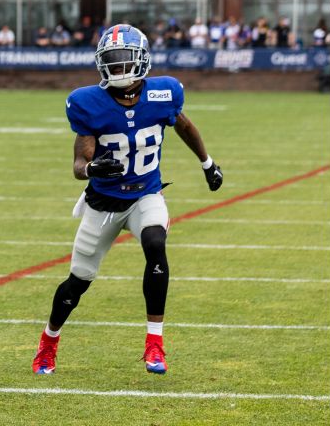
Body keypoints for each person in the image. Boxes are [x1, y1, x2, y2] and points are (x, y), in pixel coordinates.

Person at [31, 24, 223, 377]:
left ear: (142, 60)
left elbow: (183, 126)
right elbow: (77, 166)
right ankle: (49, 341)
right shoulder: (88, 102)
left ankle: (155, 344)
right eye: (112, 63)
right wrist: (92, 167)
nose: (118, 69)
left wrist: (207, 163)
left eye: (124, 62)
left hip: (146, 195)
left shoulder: (164, 92)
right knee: (79, 281)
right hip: (104, 203)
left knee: (155, 242)